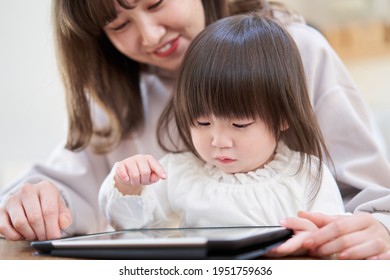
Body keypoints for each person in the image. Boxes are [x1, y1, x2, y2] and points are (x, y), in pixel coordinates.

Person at [0, 0, 389, 259]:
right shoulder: (122, 95)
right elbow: (68, 189)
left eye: (155, 2)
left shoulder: (298, 51)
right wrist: (32, 204)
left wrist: (380, 228)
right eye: (119, 25)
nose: (151, 36)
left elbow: (376, 198)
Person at [98, 13, 345, 258]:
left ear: (282, 117)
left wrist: (310, 244)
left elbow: (338, 242)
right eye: (202, 122)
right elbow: (128, 226)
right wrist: (127, 184)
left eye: (240, 124)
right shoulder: (177, 173)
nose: (219, 141)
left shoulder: (308, 175)